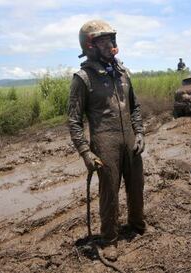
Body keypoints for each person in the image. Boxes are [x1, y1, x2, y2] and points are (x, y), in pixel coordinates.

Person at [68, 19, 146, 261]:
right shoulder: (83, 78)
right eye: (103, 40)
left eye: (111, 39)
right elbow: (73, 120)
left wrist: (140, 132)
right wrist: (86, 152)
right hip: (104, 143)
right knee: (109, 193)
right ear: (90, 45)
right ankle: (109, 239)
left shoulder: (123, 73)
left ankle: (136, 224)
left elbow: (134, 107)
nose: (110, 44)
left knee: (136, 186)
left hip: (130, 140)